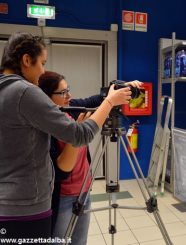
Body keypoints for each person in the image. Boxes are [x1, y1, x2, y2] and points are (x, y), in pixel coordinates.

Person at [0, 32, 132, 242]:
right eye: (41, 63)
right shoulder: (25, 92)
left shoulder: (5, 90)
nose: (42, 71)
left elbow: (86, 101)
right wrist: (110, 104)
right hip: (26, 206)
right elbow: (80, 135)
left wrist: (112, 93)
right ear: (26, 60)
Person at [38, 71, 142, 244]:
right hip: (62, 197)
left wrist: (120, 88)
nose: (69, 96)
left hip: (84, 191)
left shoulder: (70, 108)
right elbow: (61, 172)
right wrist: (77, 134)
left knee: (80, 241)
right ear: (46, 97)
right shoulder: (46, 125)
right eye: (63, 92)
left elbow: (94, 101)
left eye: (68, 90)